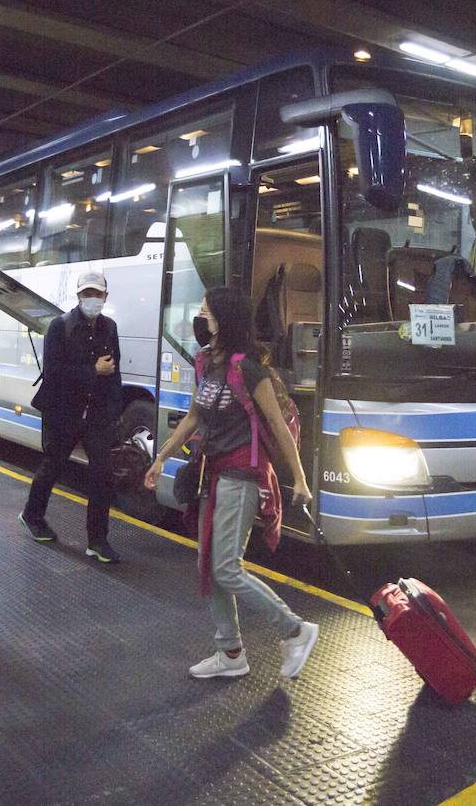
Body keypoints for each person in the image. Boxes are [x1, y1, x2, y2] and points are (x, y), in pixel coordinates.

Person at [143, 287, 319, 681]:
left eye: (207, 309)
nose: (201, 314)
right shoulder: (206, 362)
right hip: (213, 472)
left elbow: (277, 424)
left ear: (225, 318)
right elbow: (193, 418)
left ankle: (295, 629)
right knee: (209, 564)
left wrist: (300, 480)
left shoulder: (248, 368)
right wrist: (161, 457)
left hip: (242, 476)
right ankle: (231, 653)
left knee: (225, 567)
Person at [19, 272, 123, 563]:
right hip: (64, 411)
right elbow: (54, 373)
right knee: (53, 465)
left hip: (97, 413)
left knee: (103, 474)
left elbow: (115, 372)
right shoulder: (59, 327)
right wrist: (93, 370)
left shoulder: (110, 328)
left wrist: (114, 410)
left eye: (98, 294)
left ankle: (98, 541)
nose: (92, 299)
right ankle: (32, 515)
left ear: (105, 296)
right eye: (87, 293)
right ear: (78, 296)